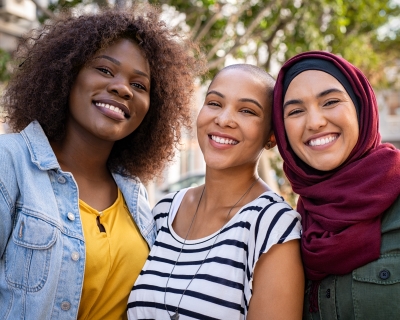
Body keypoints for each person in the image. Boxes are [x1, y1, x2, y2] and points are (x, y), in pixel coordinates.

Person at [0, 5, 206, 320]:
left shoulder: (135, 198)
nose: (122, 88)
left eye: (139, 85)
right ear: (68, 74)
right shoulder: (10, 163)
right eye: (105, 70)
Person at [127, 64, 304, 320]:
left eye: (247, 110)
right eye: (214, 103)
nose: (223, 119)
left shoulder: (273, 226)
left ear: (272, 136)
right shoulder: (165, 211)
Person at [272, 51, 400, 319]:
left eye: (330, 101)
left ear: (360, 107)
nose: (315, 122)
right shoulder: (289, 228)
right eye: (296, 111)